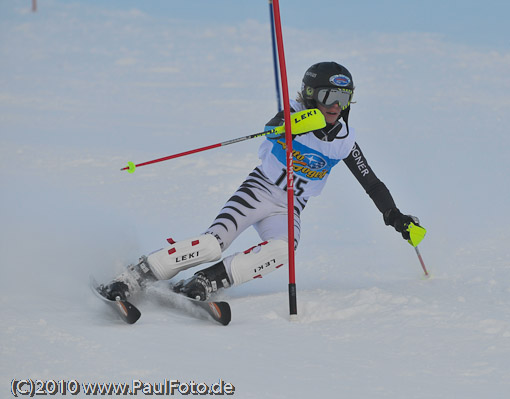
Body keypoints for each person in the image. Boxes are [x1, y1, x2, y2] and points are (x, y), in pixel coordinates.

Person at [103, 61, 423, 301]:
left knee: (283, 251)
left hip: (290, 207)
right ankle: (134, 276)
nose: (337, 106)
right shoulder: (294, 114)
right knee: (213, 244)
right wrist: (287, 126)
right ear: (311, 95)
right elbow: (274, 123)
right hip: (258, 191)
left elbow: (372, 184)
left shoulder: (343, 140)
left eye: (344, 97)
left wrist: (395, 217)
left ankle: (208, 280)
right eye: (329, 96)